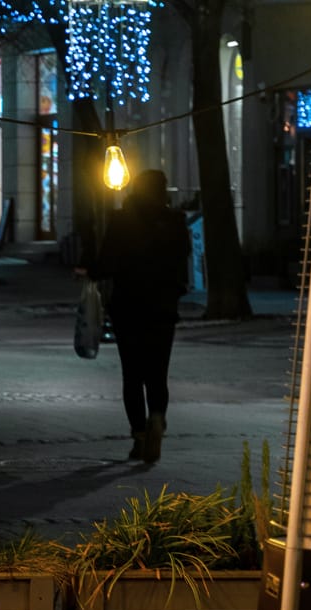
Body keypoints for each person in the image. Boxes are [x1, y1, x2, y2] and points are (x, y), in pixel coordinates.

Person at [89, 168, 191, 465]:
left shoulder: (122, 220)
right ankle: (157, 416)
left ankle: (139, 434)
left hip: (128, 307)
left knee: (132, 374)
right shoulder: (174, 221)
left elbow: (107, 261)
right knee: (158, 372)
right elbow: (183, 256)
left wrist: (90, 272)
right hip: (162, 307)